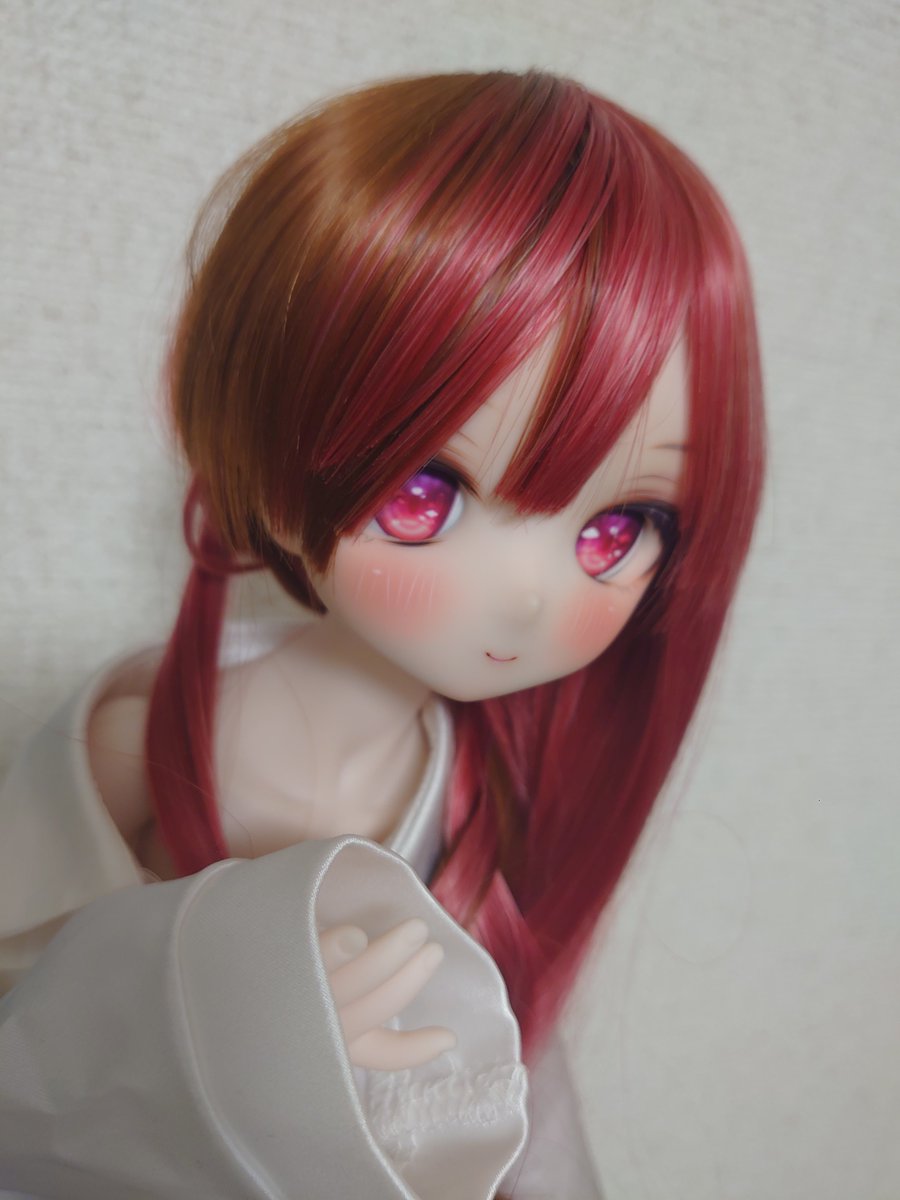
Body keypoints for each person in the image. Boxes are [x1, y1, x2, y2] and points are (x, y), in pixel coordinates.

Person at [0, 70, 764, 1198]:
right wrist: (229, 1015)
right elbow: (23, 1025)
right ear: (263, 441)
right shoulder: (140, 741)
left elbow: (522, 1097)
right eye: (428, 493)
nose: (527, 596)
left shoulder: (481, 795)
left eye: (616, 528)